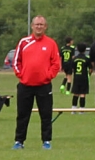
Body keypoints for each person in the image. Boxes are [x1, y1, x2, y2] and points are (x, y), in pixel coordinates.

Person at [12, 15, 61, 149]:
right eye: (37, 24)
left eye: (41, 24)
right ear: (32, 26)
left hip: (44, 86)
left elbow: (56, 64)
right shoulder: (24, 42)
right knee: (22, 115)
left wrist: (48, 76)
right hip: (25, 85)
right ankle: (19, 141)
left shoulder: (51, 43)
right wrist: (22, 75)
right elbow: (16, 61)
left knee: (46, 114)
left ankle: (46, 141)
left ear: (45, 27)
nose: (39, 27)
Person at [70, 43, 92, 108]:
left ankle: (73, 108)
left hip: (76, 77)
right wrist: (89, 74)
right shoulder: (87, 58)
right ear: (85, 50)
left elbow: (72, 68)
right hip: (84, 77)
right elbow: (90, 69)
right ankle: (82, 109)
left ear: (77, 49)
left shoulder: (75, 58)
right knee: (83, 93)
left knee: (76, 93)